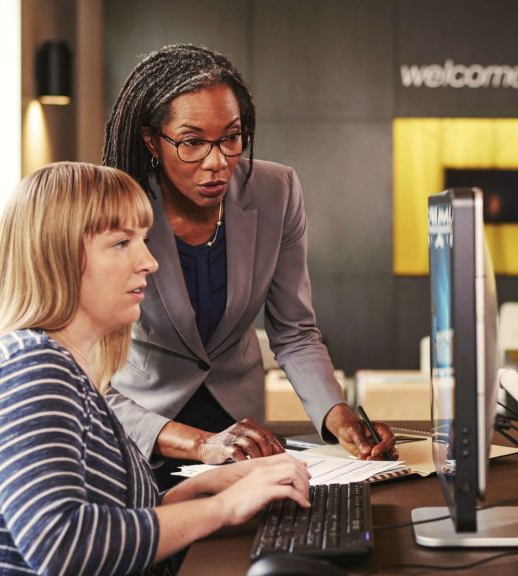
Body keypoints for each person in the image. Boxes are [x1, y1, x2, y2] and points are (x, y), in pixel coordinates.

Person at [0, 162, 311, 575]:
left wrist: (194, 492)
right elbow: (64, 545)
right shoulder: (30, 369)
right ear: (57, 255)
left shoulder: (66, 365)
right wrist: (224, 508)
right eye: (121, 243)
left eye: (144, 239)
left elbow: (105, 512)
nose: (150, 261)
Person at [102, 44, 395, 487]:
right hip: (143, 427)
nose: (217, 161)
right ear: (151, 141)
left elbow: (294, 333)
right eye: (192, 142)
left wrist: (338, 417)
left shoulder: (276, 191)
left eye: (231, 137)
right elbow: (89, 370)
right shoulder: (114, 207)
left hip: (240, 429)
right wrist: (195, 442)